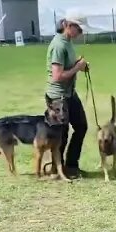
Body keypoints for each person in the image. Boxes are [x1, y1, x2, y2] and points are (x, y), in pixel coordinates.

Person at [46, 12, 91, 178]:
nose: (80, 32)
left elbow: (69, 65)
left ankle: (71, 166)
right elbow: (57, 76)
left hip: (70, 93)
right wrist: (77, 67)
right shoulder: (58, 45)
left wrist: (79, 64)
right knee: (61, 134)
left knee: (81, 126)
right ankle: (57, 169)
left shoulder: (68, 42)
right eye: (78, 28)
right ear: (68, 25)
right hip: (58, 96)